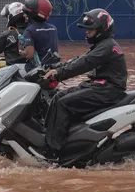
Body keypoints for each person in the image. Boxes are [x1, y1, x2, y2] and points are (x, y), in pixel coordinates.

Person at [42, 8, 127, 155]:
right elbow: (79, 60)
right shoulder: (103, 45)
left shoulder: (107, 46)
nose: (87, 33)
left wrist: (59, 73)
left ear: (101, 29)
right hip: (99, 86)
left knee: (63, 103)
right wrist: (55, 67)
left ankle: (54, 151)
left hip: (107, 90)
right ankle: (52, 137)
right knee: (57, 97)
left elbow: (84, 64)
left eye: (91, 30)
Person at [20, 0, 59, 67]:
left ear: (32, 14)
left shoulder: (29, 31)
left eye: (26, 13)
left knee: (1, 72)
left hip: (37, 70)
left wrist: (20, 52)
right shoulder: (53, 28)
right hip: (53, 67)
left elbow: (29, 55)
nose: (24, 15)